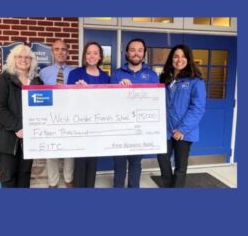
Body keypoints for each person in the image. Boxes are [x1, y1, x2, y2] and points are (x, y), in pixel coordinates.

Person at [0, 44, 43, 188]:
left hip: (28, 139)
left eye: (27, 57)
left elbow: (44, 108)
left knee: (24, 175)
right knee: (9, 178)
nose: (23, 60)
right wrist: (19, 127)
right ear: (13, 59)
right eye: (19, 56)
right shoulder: (4, 79)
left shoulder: (37, 82)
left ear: (32, 61)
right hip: (6, 139)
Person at [110, 38, 159, 188]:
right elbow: (109, 102)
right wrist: (118, 89)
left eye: (139, 50)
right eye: (132, 50)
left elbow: (155, 102)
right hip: (119, 127)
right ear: (127, 52)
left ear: (144, 53)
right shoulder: (117, 74)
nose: (136, 53)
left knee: (135, 162)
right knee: (119, 162)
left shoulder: (152, 76)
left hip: (140, 128)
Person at [157, 44, 206, 188]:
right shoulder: (164, 78)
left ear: (189, 59)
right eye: (176, 56)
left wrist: (182, 129)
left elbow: (197, 108)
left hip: (183, 132)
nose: (179, 60)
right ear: (171, 59)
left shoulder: (196, 81)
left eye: (183, 56)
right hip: (164, 130)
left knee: (180, 168)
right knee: (163, 162)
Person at [67, 41, 110, 188]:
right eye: (89, 52)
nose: (92, 56)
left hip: (97, 126)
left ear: (100, 57)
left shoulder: (105, 77)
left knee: (93, 162)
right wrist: (79, 93)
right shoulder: (75, 74)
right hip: (79, 126)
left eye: (95, 53)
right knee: (80, 162)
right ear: (85, 55)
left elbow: (106, 103)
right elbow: (68, 101)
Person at [39, 39, 75, 188]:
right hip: (50, 117)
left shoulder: (75, 71)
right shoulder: (43, 73)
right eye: (57, 49)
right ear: (52, 52)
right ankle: (53, 182)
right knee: (51, 150)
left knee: (70, 150)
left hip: (70, 116)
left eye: (63, 49)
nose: (60, 52)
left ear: (67, 52)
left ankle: (68, 179)